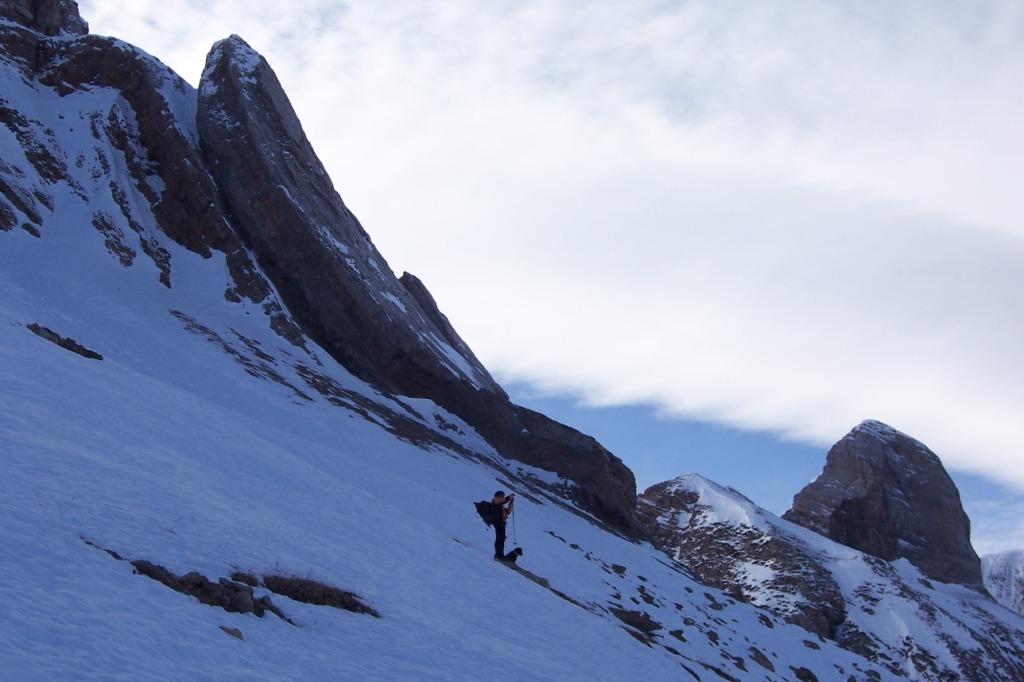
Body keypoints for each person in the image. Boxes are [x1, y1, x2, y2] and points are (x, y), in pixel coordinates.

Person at [491, 490, 515, 560]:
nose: (502, 497)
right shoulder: (495, 500)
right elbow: (504, 500)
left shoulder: (500, 506)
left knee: (501, 538)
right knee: (500, 538)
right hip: (498, 521)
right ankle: (498, 554)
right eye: (501, 496)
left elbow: (508, 512)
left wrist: (511, 503)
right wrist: (509, 497)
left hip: (501, 522)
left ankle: (500, 554)